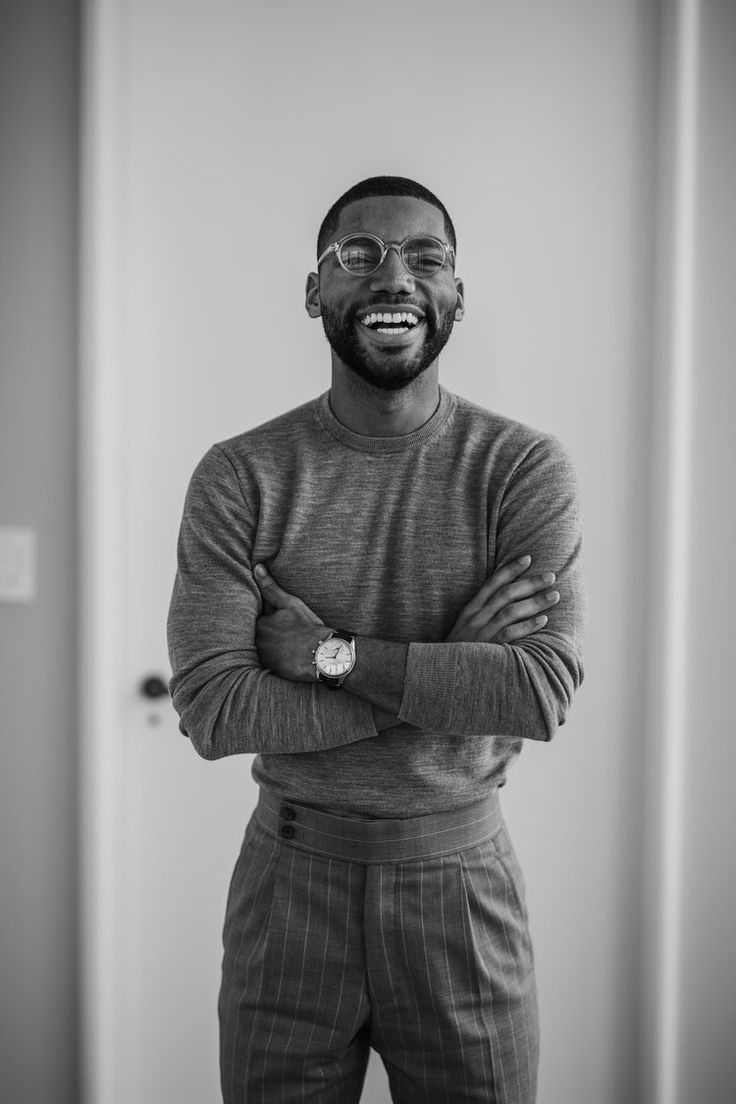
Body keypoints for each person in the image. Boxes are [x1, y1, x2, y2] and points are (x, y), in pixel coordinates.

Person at [167, 175, 586, 1104]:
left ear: (457, 297)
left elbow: (538, 691)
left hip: (462, 894)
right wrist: (451, 664)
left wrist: (332, 656)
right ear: (314, 291)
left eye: (424, 256)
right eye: (357, 255)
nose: (393, 276)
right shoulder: (242, 475)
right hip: (289, 891)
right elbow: (212, 709)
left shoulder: (521, 469)